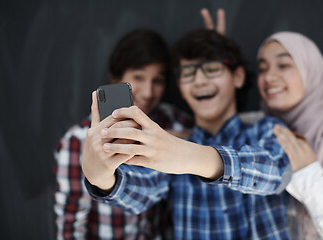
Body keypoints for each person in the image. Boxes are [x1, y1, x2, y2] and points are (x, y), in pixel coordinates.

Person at [81, 29, 293, 239]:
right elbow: (142, 190)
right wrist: (102, 178)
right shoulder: (171, 143)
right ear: (180, 87)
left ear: (237, 76)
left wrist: (189, 157)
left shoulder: (266, 130)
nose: (199, 81)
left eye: (211, 68)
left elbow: (277, 173)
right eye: (188, 72)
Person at [53, 29, 194, 240]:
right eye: (138, 77)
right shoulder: (77, 141)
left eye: (157, 80)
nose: (148, 92)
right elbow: (71, 226)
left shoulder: (171, 121)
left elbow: (209, 134)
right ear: (115, 78)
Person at [257, 31, 323, 239]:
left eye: (284, 65)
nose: (268, 77)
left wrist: (308, 173)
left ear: (311, 70)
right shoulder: (263, 130)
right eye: (262, 68)